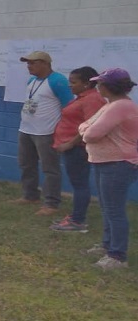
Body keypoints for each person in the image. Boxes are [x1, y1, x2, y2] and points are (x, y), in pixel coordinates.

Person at [78, 68, 138, 270]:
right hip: (104, 162)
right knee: (106, 207)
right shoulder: (110, 105)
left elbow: (91, 134)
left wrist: (86, 130)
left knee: (114, 210)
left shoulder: (120, 107)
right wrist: (86, 129)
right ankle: (107, 245)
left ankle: (118, 256)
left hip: (117, 163)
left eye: (100, 84)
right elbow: (85, 125)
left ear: (109, 86)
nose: (97, 87)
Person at [12, 51, 73, 215]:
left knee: (50, 168)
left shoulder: (57, 81)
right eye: (27, 63)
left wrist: (62, 130)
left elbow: (69, 107)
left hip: (46, 132)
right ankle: (30, 195)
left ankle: (51, 203)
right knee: (26, 164)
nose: (29, 66)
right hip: (26, 129)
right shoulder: (32, 80)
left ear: (45, 63)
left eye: (33, 63)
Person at [49, 67, 106, 232]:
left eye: (73, 82)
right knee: (78, 183)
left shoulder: (92, 99)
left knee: (80, 184)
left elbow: (91, 126)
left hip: (78, 148)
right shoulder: (83, 98)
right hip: (72, 147)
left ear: (87, 83)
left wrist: (70, 143)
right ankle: (76, 216)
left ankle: (78, 221)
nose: (69, 85)